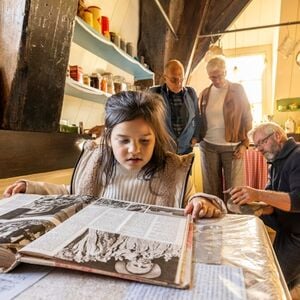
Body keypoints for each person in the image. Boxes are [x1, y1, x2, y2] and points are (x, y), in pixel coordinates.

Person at [3, 91, 226, 220]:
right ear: (109, 139)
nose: (134, 149)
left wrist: (201, 201)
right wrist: (31, 188)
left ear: (156, 138)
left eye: (145, 140)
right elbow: (71, 194)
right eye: (124, 140)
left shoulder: (172, 171)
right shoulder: (96, 164)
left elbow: (191, 199)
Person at [230, 122, 300, 290]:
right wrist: (249, 205)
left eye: (262, 142)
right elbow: (271, 205)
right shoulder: (276, 162)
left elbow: (298, 201)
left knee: (270, 281)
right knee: (276, 274)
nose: (259, 148)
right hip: (286, 230)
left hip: (298, 236)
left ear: (277, 135)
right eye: (257, 144)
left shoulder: (297, 157)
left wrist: (257, 194)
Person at [198, 56, 252, 202]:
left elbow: (247, 117)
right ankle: (214, 220)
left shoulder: (237, 90)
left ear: (226, 72)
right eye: (212, 77)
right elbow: (199, 119)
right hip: (208, 146)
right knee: (211, 191)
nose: (216, 80)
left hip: (233, 147)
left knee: (234, 191)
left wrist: (244, 144)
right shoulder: (204, 93)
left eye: (219, 76)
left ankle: (233, 222)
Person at [149, 59, 200, 155]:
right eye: (174, 80)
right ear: (165, 78)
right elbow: (149, 121)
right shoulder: (154, 93)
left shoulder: (191, 93)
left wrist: (196, 137)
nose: (179, 84)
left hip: (186, 149)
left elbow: (197, 116)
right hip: (164, 151)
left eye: (181, 80)